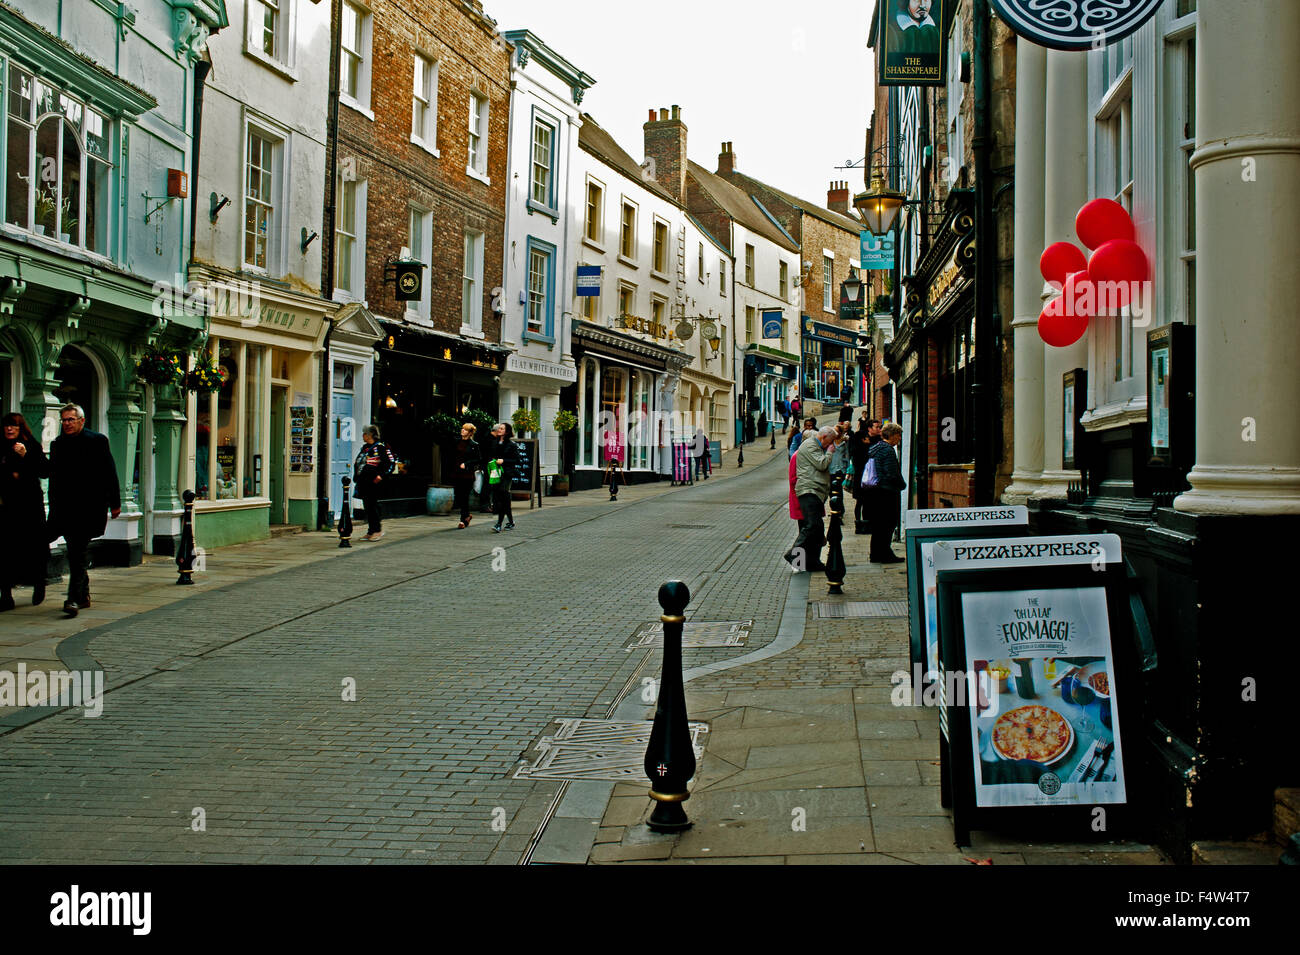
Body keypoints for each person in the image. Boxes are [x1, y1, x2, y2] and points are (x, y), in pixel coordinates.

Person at [46, 403, 120, 617]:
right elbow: (53, 476)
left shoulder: (97, 441)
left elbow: (109, 472)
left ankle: (72, 599)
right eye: (64, 420)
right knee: (75, 552)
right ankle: (83, 595)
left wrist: (115, 503)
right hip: (65, 508)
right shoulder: (58, 444)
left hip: (89, 507)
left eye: (71, 419)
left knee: (77, 551)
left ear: (81, 420)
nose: (67, 423)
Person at [1, 413, 49, 610]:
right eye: (6, 426)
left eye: (14, 426)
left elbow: (44, 471)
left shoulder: (31, 446)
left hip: (29, 507)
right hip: (6, 507)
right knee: (5, 550)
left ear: (21, 428)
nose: (9, 429)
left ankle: (39, 583)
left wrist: (25, 455)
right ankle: (6, 595)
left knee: (34, 547)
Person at [784, 425, 846, 572]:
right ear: (823, 437)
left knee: (815, 529)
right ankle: (796, 560)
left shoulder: (814, 449)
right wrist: (830, 453)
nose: (830, 446)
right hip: (806, 494)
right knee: (811, 527)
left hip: (815, 493)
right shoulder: (805, 450)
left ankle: (811, 562)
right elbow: (820, 465)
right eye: (829, 442)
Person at [866, 422, 906, 563]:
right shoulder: (888, 450)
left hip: (875, 491)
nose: (900, 438)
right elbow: (891, 473)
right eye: (898, 435)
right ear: (893, 435)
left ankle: (875, 553)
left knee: (878, 524)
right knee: (888, 523)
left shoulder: (875, 447)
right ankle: (885, 554)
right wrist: (902, 484)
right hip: (887, 492)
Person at [353, 424, 395, 541]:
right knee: (368, 507)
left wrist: (381, 476)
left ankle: (377, 530)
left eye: (365, 433)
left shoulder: (381, 447)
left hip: (374, 482)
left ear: (370, 435)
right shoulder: (365, 448)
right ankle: (370, 531)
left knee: (373, 506)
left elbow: (390, 463)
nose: (363, 436)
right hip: (364, 482)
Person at [848, 418, 881, 534]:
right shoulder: (858, 436)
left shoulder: (878, 439)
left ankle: (869, 524)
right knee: (859, 501)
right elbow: (853, 451)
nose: (879, 429)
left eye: (879, 427)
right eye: (876, 427)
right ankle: (858, 524)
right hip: (861, 473)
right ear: (869, 428)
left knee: (870, 501)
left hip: (874, 475)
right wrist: (866, 446)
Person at [485, 422, 519, 532]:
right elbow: (490, 455)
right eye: (499, 428)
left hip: (506, 474)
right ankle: (511, 522)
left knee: (502, 497)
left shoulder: (511, 445)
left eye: (502, 428)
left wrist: (504, 461)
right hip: (495, 473)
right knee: (503, 499)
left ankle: (499, 524)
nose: (499, 430)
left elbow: (516, 460)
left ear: (507, 431)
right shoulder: (494, 442)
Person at [451, 422, 481, 529]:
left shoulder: (474, 445)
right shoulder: (456, 442)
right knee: (458, 496)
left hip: (467, 475)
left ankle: (462, 520)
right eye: (462, 429)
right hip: (456, 473)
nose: (462, 430)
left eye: (465, 429)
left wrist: (467, 464)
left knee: (464, 496)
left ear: (470, 432)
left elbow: (478, 459)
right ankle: (467, 515)